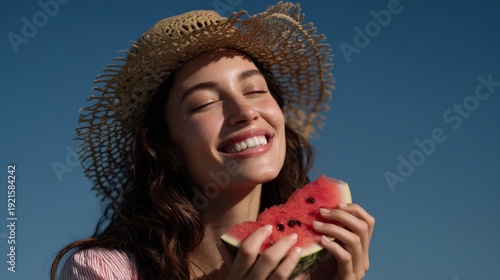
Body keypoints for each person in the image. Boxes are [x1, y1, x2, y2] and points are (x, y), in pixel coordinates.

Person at [51, 2, 375, 279]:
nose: (245, 111)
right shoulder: (104, 269)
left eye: (256, 91)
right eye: (204, 103)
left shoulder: (318, 269)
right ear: (167, 147)